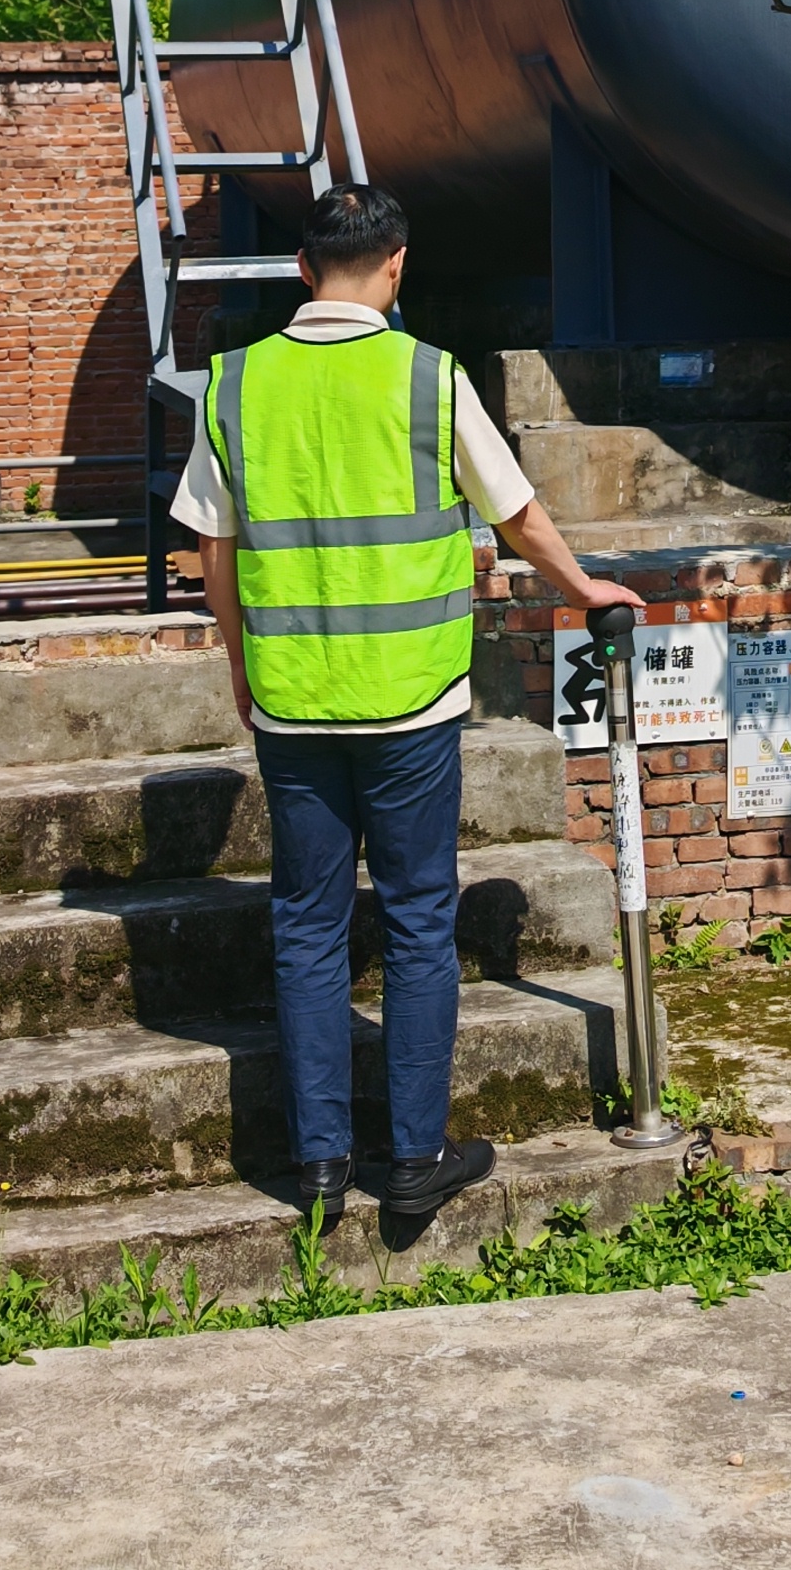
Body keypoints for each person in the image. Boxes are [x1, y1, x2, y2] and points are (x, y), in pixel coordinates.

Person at [178, 181, 641, 1232]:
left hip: (293, 701)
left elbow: (217, 552)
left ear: (303, 270)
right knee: (420, 922)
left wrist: (241, 666)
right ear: (395, 267)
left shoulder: (235, 385)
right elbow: (516, 515)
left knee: (305, 927)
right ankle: (417, 1160)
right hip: (413, 702)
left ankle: (321, 1168)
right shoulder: (429, 378)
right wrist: (585, 592)